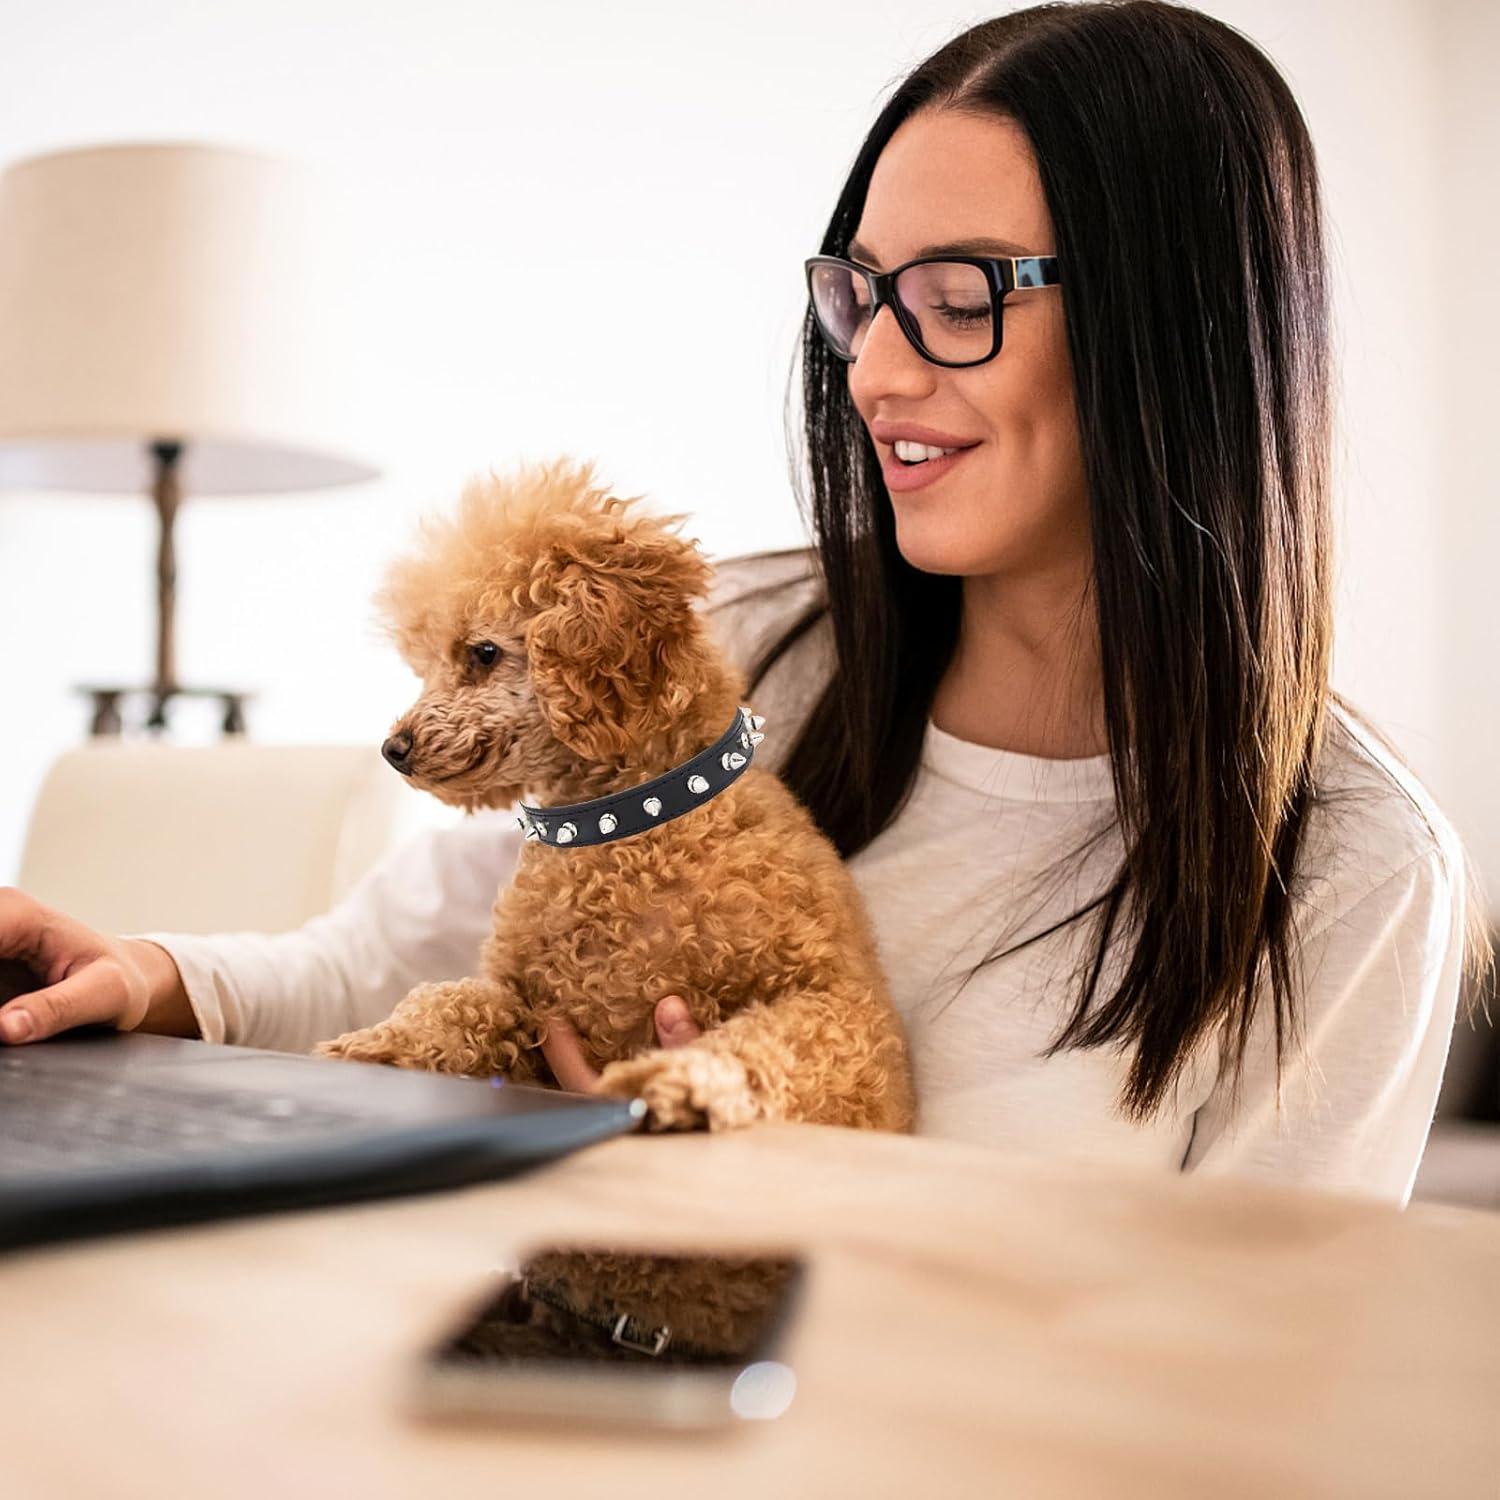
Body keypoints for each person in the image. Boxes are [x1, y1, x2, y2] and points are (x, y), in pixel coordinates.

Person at [0, 1, 1490, 1208]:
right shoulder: (745, 646)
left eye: (961, 297)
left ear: (1179, 331)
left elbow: (1243, 1385)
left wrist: (731, 1203)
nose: (878, 373)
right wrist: (149, 977)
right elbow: (399, 954)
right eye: (864, 293)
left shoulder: (1356, 870)